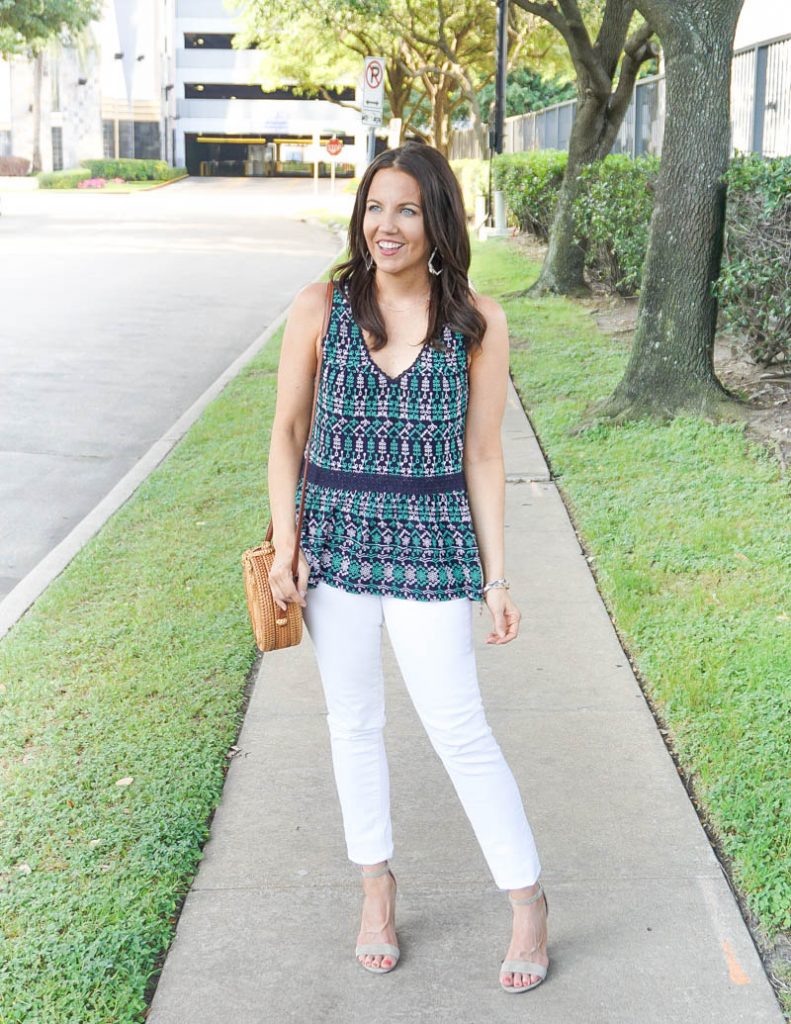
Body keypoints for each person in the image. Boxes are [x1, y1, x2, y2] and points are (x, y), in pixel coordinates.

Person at [266, 141, 549, 993]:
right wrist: (287, 542)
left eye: (406, 211)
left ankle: (527, 901)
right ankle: (375, 891)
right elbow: (285, 432)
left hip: (430, 544)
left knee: (458, 728)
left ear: (436, 223)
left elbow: (484, 456)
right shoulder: (320, 305)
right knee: (353, 725)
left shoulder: (477, 320)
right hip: (336, 545)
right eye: (375, 208)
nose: (385, 226)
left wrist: (496, 578)